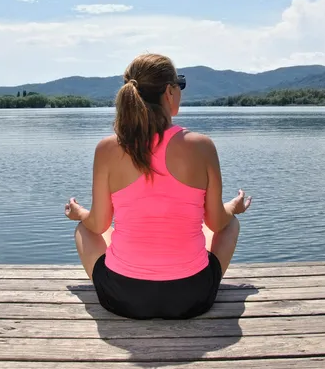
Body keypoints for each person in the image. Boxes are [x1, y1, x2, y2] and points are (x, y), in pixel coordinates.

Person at [65, 53, 252, 320]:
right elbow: (217, 223)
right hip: (191, 296)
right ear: (169, 92)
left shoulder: (107, 149)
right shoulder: (201, 146)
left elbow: (98, 224)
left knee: (86, 229)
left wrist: (79, 213)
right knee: (231, 223)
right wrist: (232, 209)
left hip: (124, 297)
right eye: (180, 85)